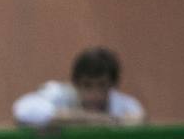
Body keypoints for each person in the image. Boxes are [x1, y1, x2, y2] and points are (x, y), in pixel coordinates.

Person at [12, 47, 147, 128]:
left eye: (102, 85)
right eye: (87, 85)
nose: (94, 94)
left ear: (113, 85)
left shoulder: (124, 105)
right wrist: (91, 119)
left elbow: (137, 117)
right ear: (75, 84)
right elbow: (24, 109)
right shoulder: (59, 94)